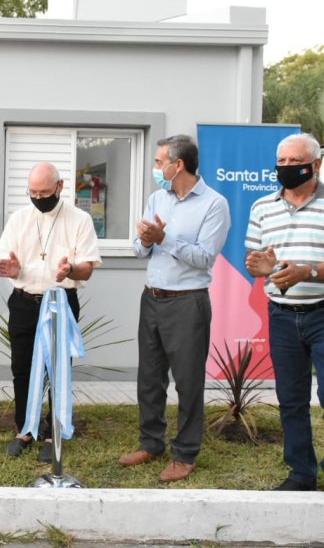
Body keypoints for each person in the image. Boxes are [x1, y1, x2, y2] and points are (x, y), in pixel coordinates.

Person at [118, 135, 230, 483]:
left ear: (177, 164)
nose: (155, 168)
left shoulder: (214, 204)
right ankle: (151, 442)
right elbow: (139, 249)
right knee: (149, 379)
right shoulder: (157, 197)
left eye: (158, 162)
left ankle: (185, 454)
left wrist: (165, 239)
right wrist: (147, 240)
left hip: (188, 302)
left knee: (188, 382)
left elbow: (204, 258)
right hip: (152, 298)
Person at [0, 162, 101, 462]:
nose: (38, 197)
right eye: (33, 192)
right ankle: (24, 429)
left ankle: (53, 431)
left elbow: (88, 268)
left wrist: (71, 269)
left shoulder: (79, 220)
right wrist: (14, 269)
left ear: (59, 187)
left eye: (44, 192)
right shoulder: (19, 218)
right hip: (23, 300)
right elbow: (8, 259)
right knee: (22, 368)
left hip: (60, 302)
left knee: (57, 370)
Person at [245, 132, 324, 491]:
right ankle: (302, 473)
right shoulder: (262, 207)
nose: (288, 168)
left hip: (322, 314)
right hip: (281, 314)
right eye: (283, 162)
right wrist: (265, 269)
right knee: (291, 399)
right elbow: (256, 262)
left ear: (316, 164)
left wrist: (307, 271)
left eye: (296, 162)